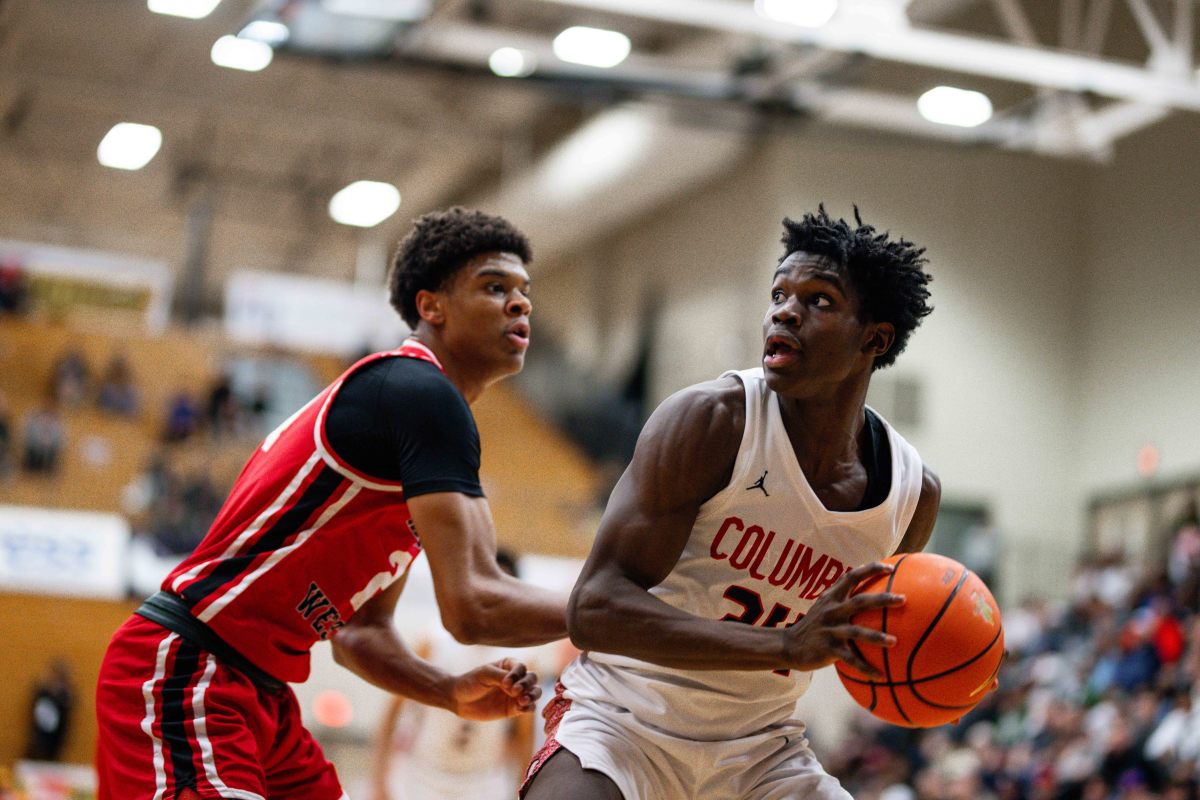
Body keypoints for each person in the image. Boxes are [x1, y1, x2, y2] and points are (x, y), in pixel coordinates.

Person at [96, 207, 567, 800]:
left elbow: (358, 635)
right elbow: (471, 607)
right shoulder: (418, 390)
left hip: (263, 697)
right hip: (193, 668)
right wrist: (620, 614)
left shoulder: (426, 426)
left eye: (525, 292)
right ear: (431, 306)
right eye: (495, 287)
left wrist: (446, 692)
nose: (521, 303)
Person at [523, 206, 943, 800]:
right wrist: (785, 646)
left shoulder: (909, 496)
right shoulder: (713, 420)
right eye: (779, 293)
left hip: (762, 753)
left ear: (874, 338)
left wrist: (932, 673)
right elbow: (593, 609)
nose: (785, 310)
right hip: (625, 723)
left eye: (819, 300)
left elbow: (877, 639)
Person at [368, 550, 535, 800]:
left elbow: (524, 736)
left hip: (482, 783)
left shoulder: (522, 659)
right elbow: (393, 710)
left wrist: (522, 790)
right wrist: (379, 779)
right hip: (421, 776)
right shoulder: (433, 639)